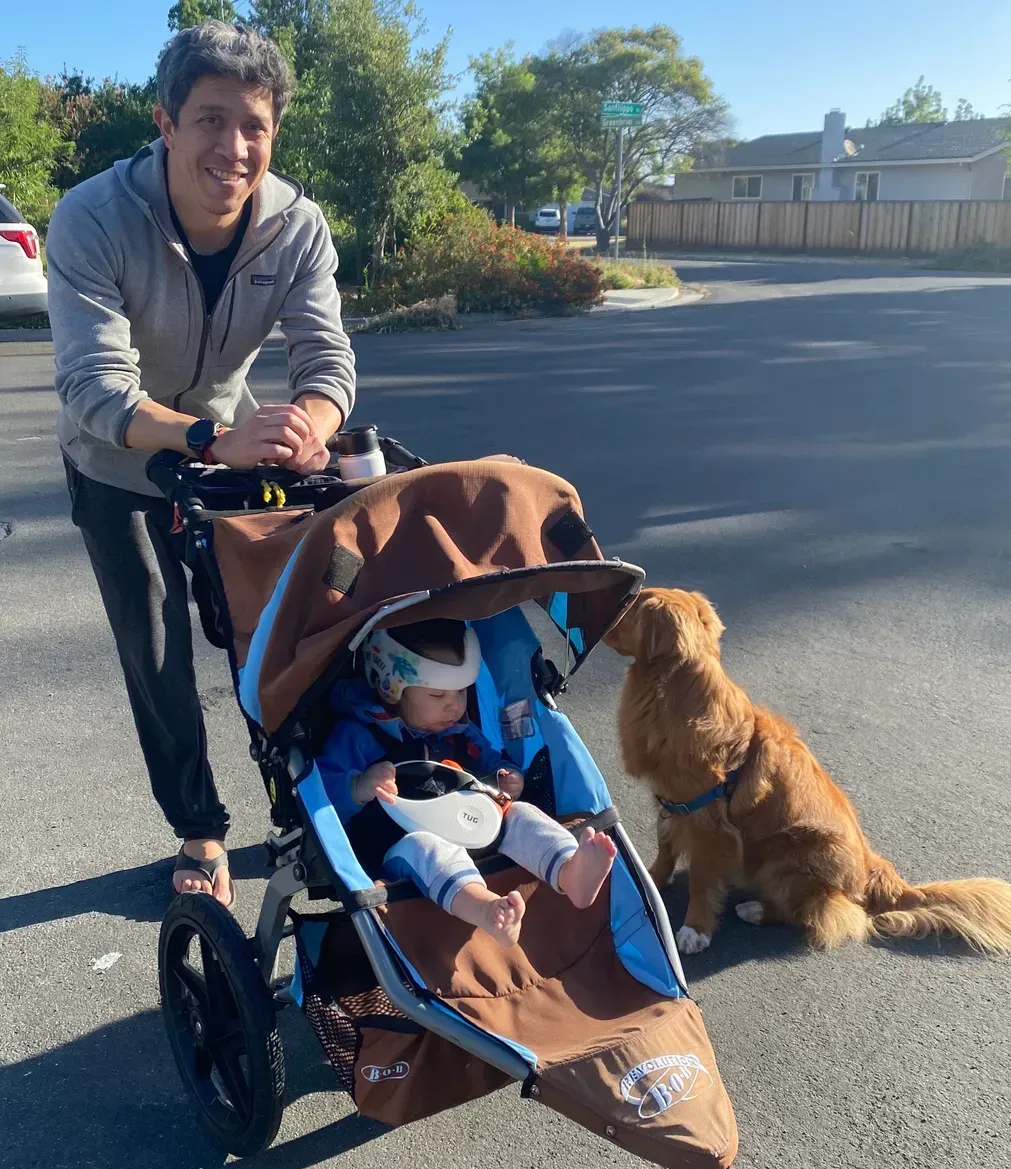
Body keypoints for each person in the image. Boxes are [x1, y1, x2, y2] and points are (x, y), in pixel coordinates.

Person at [46, 21, 356, 908]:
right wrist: (207, 438)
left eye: (254, 125)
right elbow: (94, 386)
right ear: (166, 123)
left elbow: (327, 360)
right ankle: (200, 828)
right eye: (211, 120)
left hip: (234, 455)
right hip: (118, 458)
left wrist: (313, 424)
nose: (234, 148)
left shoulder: (296, 226)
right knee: (159, 650)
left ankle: (316, 802)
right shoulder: (93, 216)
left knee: (284, 626)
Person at [317, 619, 616, 946]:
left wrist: (506, 776)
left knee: (520, 814)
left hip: (472, 824)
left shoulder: (459, 731)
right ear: (391, 688)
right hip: (396, 847)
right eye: (438, 694)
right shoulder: (359, 735)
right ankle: (486, 909)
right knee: (428, 847)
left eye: (462, 691)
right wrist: (359, 786)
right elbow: (321, 794)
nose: (454, 705)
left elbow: (491, 759)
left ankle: (569, 870)